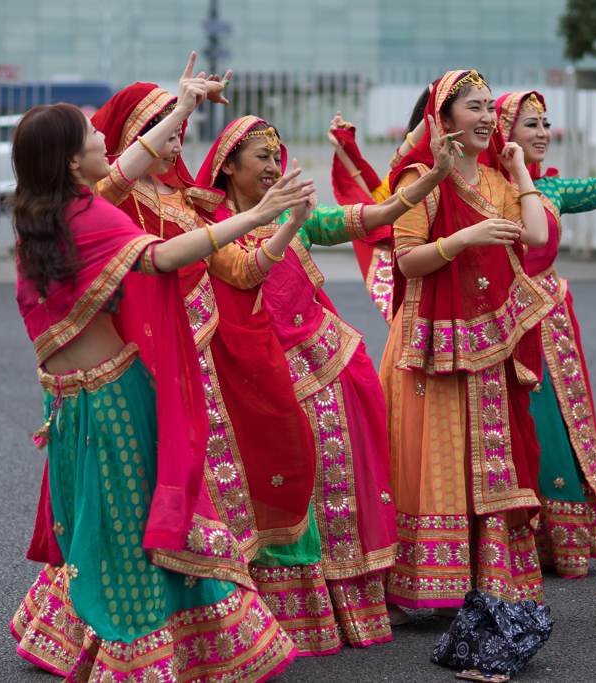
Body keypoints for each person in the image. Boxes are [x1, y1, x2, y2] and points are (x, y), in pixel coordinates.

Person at [8, 95, 315, 680]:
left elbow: (133, 171)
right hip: (99, 400)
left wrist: (183, 107)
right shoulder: (88, 213)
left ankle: (141, 641)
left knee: (118, 517)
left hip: (84, 396)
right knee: (109, 518)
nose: (105, 140)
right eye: (92, 136)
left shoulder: (48, 211)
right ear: (74, 163)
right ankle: (122, 636)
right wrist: (252, 217)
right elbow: (164, 256)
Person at [193, 113, 460, 652]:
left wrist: (432, 177)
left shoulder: (293, 215)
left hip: (329, 363)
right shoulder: (214, 226)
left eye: (276, 156)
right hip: (264, 378)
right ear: (228, 168)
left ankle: (352, 603)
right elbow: (245, 271)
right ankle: (287, 610)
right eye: (261, 158)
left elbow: (374, 217)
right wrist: (286, 222)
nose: (273, 166)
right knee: (287, 485)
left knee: (341, 484)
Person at [382, 70, 554, 621]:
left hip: (489, 342)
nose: (485, 117)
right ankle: (431, 583)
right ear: (444, 119)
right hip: (431, 341)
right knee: (436, 458)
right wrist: (462, 239)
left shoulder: (497, 182)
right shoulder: (419, 177)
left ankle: (485, 579)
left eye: (489, 107)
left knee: (486, 457)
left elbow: (536, 235)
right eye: (473, 107)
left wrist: (521, 169)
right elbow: (407, 260)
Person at [479, 88, 596, 578]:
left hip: (551, 321)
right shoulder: (481, 187)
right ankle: (508, 530)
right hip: (500, 320)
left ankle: (558, 535)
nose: (543, 134)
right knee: (509, 420)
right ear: (503, 133)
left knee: (554, 418)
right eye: (530, 124)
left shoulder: (549, 191)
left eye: (545, 124)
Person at [327, 86, 435, 322]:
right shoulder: (411, 172)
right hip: (427, 283)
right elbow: (376, 207)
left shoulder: (492, 171)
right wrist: (344, 150)